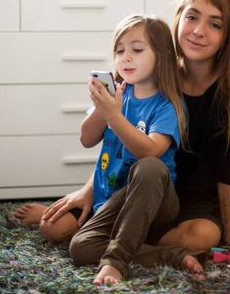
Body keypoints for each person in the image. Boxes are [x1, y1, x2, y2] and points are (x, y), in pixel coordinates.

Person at [14, 14, 204, 284]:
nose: (126, 57)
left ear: (161, 56)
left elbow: (150, 153)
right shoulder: (116, 95)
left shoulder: (167, 104)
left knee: (150, 167)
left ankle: (115, 261)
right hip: (110, 201)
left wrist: (114, 116)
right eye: (119, 50)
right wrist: (103, 108)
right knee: (74, 243)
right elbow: (86, 138)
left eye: (137, 50)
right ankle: (169, 255)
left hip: (153, 199)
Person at [152, 0, 230, 252]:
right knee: (54, 226)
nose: (198, 31)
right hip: (144, 194)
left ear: (228, 37)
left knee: (201, 238)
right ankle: (125, 236)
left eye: (214, 24)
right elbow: (120, 142)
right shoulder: (155, 76)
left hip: (197, 206)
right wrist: (86, 193)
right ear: (179, 17)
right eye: (192, 17)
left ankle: (121, 242)